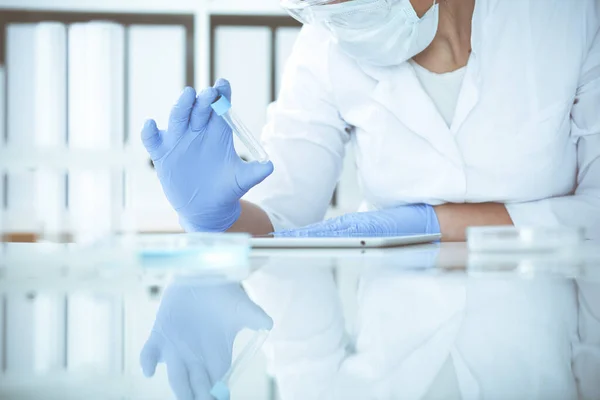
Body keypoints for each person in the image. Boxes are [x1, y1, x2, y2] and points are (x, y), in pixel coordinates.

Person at [141, 0, 600, 241]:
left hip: (548, 333)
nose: (340, 12)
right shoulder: (323, 44)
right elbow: (281, 223)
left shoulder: (568, 16)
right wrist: (215, 217)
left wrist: (430, 224)